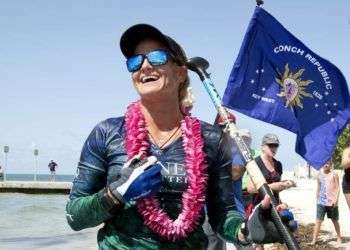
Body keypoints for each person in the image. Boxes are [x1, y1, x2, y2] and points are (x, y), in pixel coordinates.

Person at [65, 24, 296, 249]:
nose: (144, 66)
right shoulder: (107, 133)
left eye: (156, 57)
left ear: (180, 72)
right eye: (135, 61)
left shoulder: (212, 139)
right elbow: (75, 216)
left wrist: (246, 231)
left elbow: (223, 214)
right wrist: (116, 193)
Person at [246, 133, 295, 250]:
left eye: (276, 145)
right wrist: (273, 186)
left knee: (291, 227)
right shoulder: (255, 163)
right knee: (258, 241)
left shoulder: (278, 165)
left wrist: (285, 186)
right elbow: (250, 188)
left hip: (275, 206)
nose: (274, 148)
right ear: (263, 146)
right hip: (260, 206)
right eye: (271, 145)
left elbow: (278, 188)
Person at [309, 160, 342, 246]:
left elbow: (338, 188)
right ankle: (314, 240)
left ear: (331, 165)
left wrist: (336, 200)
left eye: (328, 163)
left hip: (332, 202)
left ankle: (339, 237)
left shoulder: (334, 174)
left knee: (334, 220)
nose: (326, 165)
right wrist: (317, 197)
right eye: (324, 163)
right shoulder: (319, 175)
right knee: (318, 221)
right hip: (321, 202)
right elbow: (318, 187)